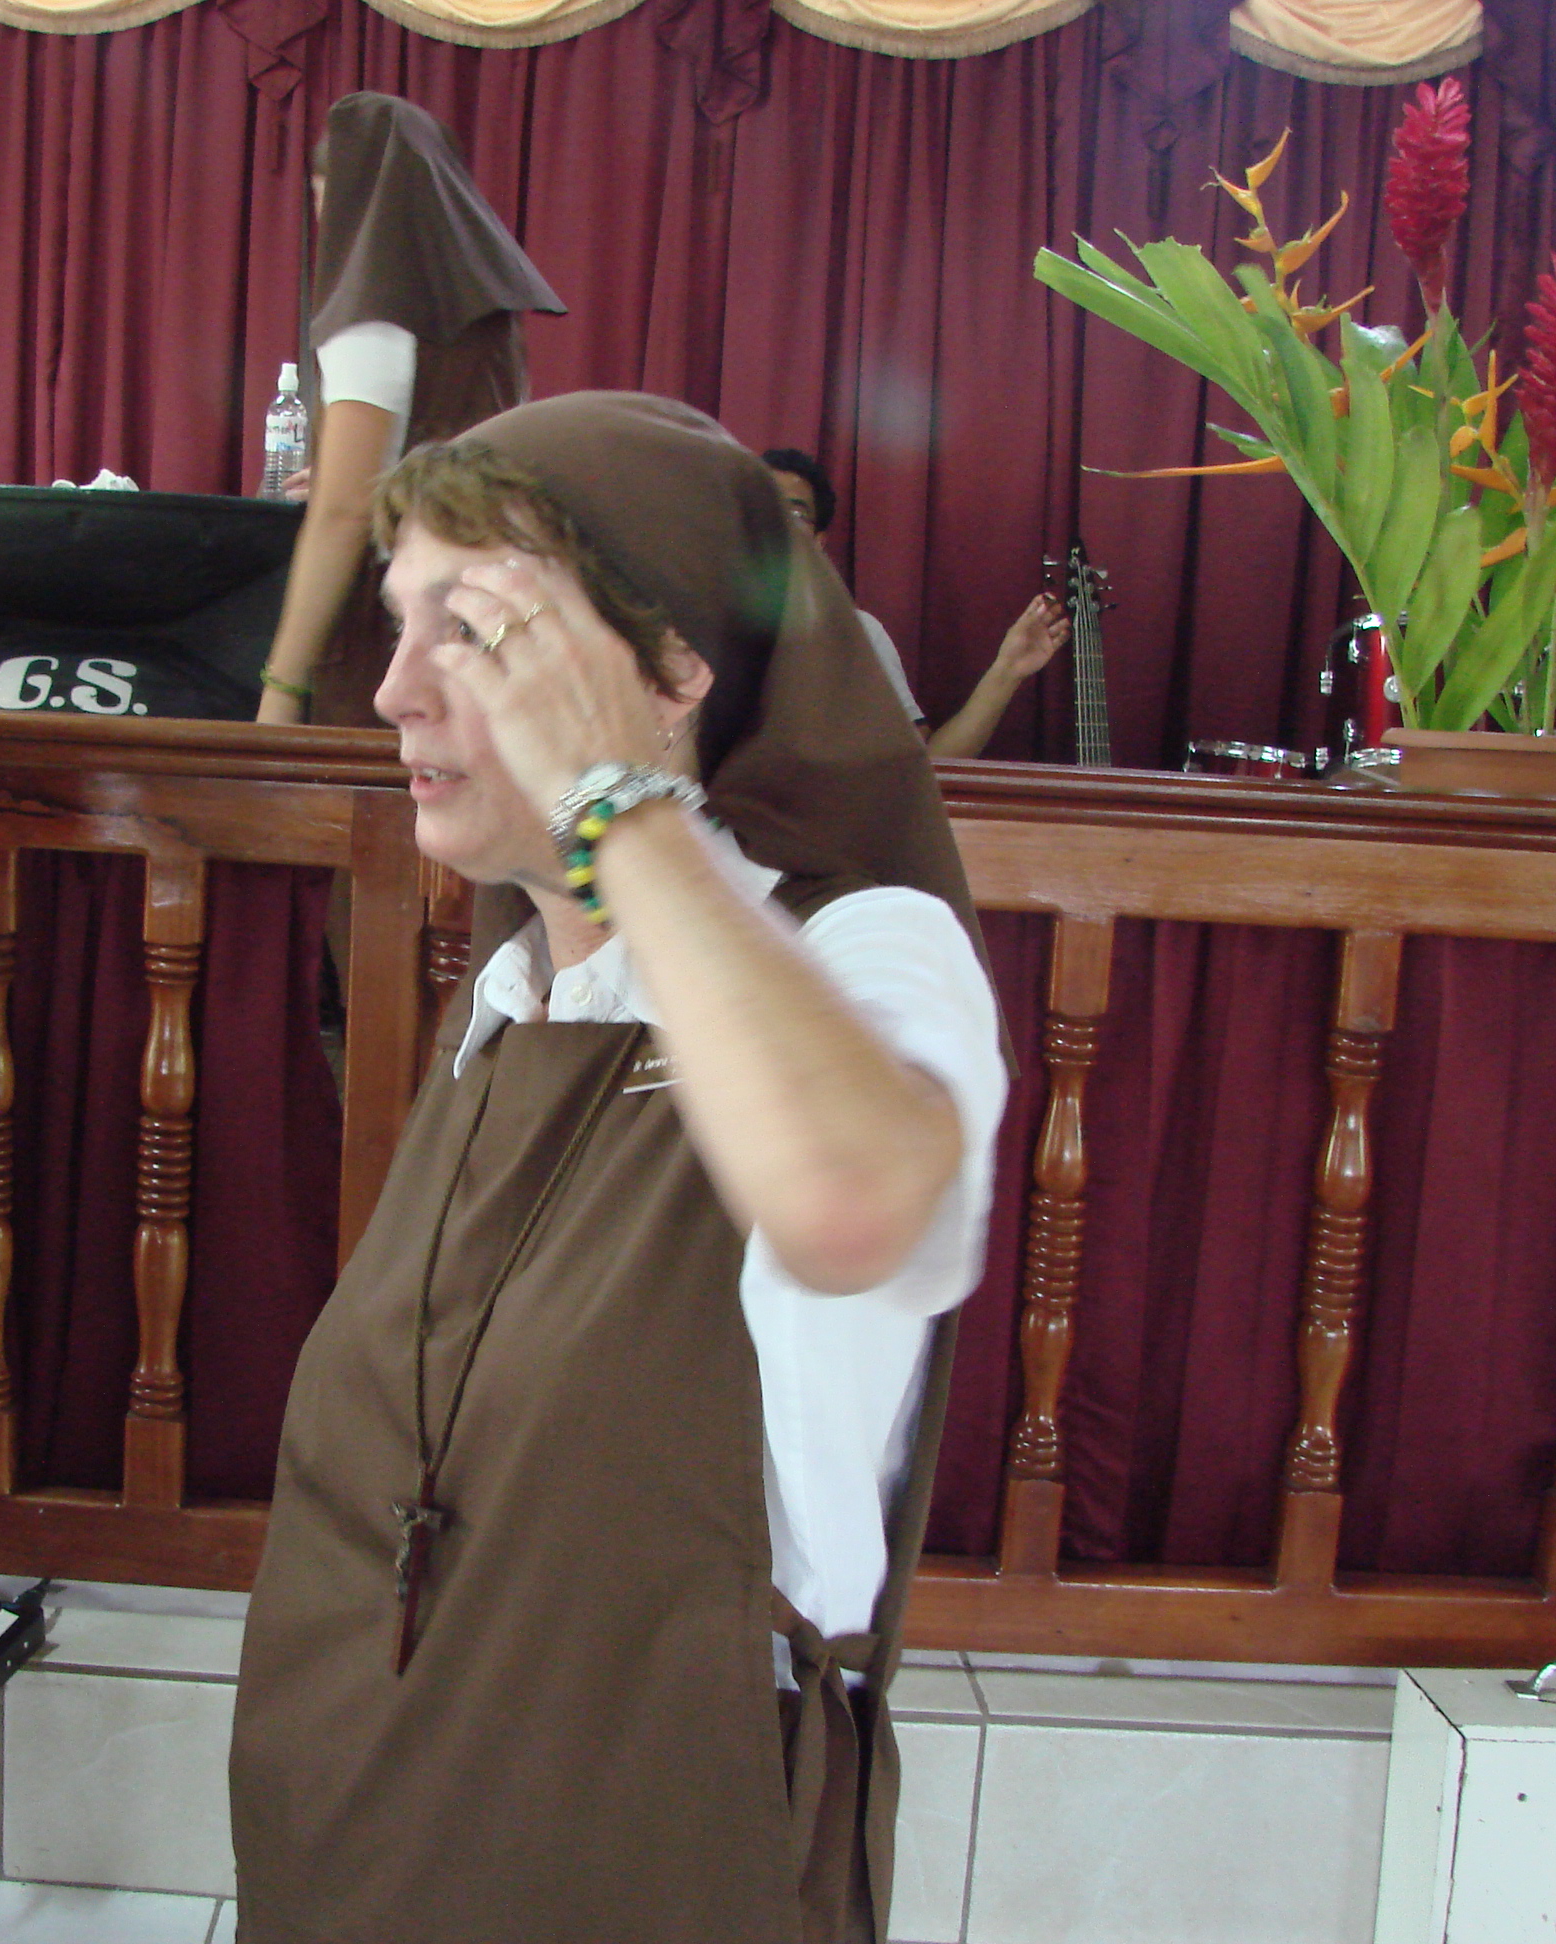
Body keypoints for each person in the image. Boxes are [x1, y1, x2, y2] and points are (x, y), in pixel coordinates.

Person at [229, 394, 1008, 1943]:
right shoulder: (511, 992)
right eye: (399, 622)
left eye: (475, 631)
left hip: (646, 1854)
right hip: (356, 1834)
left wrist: (617, 808)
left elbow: (850, 1198)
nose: (391, 689)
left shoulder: (864, 952)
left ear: (668, 674)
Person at [254, 93, 564, 728]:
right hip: (482, 616)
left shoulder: (372, 311)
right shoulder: (481, 309)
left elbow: (344, 513)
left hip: (391, 627)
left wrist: (279, 688)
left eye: (326, 201)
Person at [760, 445, 1067, 759]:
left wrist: (1007, 670)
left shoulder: (856, 634)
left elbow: (925, 765)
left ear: (817, 542)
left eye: (795, 515)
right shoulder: (723, 634)